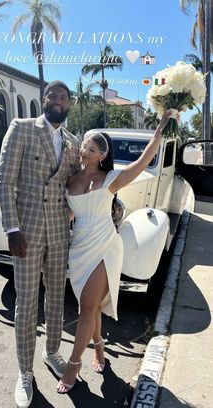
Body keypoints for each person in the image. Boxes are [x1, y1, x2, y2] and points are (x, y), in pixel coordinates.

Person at [56, 110, 172, 393]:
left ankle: (73, 367)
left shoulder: (112, 179)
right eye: (84, 146)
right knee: (91, 305)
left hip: (106, 246)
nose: (84, 151)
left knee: (86, 308)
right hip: (79, 248)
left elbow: (143, 160)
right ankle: (99, 346)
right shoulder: (71, 179)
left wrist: (160, 130)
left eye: (91, 149)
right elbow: (70, 214)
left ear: (101, 155)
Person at [0, 80, 80, 408]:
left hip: (60, 231)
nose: (59, 101)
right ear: (44, 99)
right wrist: (12, 229)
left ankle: (51, 352)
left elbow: (77, 183)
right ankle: (25, 372)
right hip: (27, 233)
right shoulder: (22, 128)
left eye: (64, 98)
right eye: (54, 96)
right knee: (27, 303)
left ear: (69, 104)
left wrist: (107, 198)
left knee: (57, 299)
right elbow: (5, 180)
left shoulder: (72, 141)